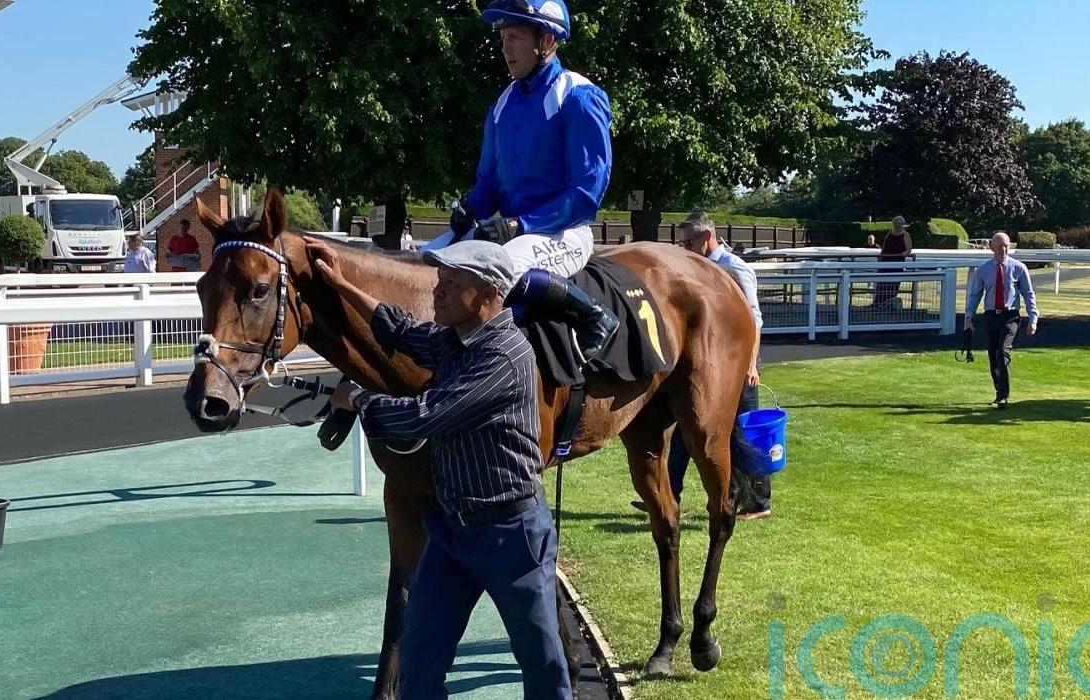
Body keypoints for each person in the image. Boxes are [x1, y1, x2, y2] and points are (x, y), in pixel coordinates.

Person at [307, 236, 571, 699]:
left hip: (512, 535)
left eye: (451, 283)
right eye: (439, 280)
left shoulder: (505, 355)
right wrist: (341, 283)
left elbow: (428, 415)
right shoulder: (455, 340)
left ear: (487, 293)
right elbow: (400, 330)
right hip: (451, 533)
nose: (437, 290)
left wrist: (360, 399)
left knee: (543, 668)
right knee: (418, 663)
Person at [422, 0, 619, 362]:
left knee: (502, 266)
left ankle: (593, 313)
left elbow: (586, 192)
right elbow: (489, 183)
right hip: (512, 230)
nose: (505, 48)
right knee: (426, 257)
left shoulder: (578, 96)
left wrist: (520, 225)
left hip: (564, 231)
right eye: (502, 39)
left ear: (546, 40)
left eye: (514, 37)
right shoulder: (502, 104)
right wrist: (469, 209)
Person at [631, 212, 770, 519]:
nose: (686, 248)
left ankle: (759, 501)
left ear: (707, 237)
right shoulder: (697, 269)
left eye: (689, 242)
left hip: (736, 361)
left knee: (742, 429)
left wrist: (750, 364)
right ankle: (670, 492)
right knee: (687, 427)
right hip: (709, 361)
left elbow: (754, 319)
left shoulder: (734, 268)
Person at [964, 232, 1039, 409]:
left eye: (1006, 246)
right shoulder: (983, 269)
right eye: (1000, 246)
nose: (1003, 250)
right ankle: (999, 391)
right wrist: (968, 317)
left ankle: (1003, 396)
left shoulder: (1018, 268)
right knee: (993, 355)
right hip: (991, 316)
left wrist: (1033, 318)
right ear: (992, 247)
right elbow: (975, 295)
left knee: (1002, 351)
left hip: (1010, 316)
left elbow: (1028, 294)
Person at [873, 215, 913, 307]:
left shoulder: (906, 235)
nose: (898, 225)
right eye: (896, 223)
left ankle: (889, 304)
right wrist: (881, 256)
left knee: (893, 284)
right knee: (882, 284)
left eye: (900, 223)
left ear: (903, 224)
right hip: (886, 262)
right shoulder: (889, 233)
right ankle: (878, 304)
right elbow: (884, 247)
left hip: (897, 262)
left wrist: (904, 253)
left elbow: (909, 249)